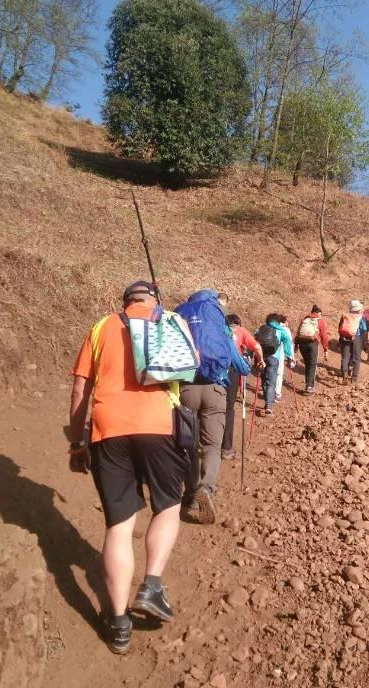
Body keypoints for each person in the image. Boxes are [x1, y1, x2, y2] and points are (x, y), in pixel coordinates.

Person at [69, 280, 192, 654]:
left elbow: (79, 390)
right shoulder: (170, 320)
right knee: (168, 505)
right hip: (159, 425)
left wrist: (77, 442)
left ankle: (119, 624)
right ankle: (152, 584)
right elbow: (187, 371)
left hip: (108, 431)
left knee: (119, 526)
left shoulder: (101, 326)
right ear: (153, 299)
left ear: (124, 302)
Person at [175, 290, 251, 525]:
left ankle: (189, 494)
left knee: (188, 445)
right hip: (215, 389)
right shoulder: (219, 321)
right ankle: (206, 488)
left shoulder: (180, 317)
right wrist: (246, 366)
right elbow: (240, 364)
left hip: (186, 388)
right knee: (211, 446)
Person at [222, 314, 264, 460]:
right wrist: (261, 360)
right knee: (228, 408)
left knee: (210, 408)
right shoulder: (241, 331)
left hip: (213, 369)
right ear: (237, 323)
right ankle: (226, 448)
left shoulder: (217, 329)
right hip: (232, 370)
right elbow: (257, 347)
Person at [255, 313, 295, 416]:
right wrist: (290, 357)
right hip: (274, 358)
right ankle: (269, 406)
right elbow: (288, 343)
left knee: (264, 380)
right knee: (271, 382)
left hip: (260, 357)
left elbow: (253, 340)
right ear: (278, 321)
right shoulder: (281, 331)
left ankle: (267, 401)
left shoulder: (261, 329)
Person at [295, 304, 329, 394]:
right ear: (319, 313)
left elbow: (298, 333)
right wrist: (326, 349)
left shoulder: (305, 319)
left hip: (302, 343)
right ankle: (309, 386)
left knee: (307, 364)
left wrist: (296, 346)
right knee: (312, 365)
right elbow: (324, 336)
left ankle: (308, 384)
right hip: (312, 344)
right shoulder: (320, 321)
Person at [338, 300, 368, 384]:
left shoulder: (345, 315)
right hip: (357, 338)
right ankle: (354, 379)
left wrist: (340, 338)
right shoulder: (361, 317)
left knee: (345, 356)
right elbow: (364, 329)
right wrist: (365, 341)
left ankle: (344, 373)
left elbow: (340, 327)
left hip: (345, 337)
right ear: (358, 309)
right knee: (356, 358)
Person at [274, 314, 293, 402]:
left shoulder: (270, 327)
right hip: (279, 354)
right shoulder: (285, 330)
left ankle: (268, 392)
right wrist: (290, 357)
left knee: (269, 373)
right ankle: (277, 393)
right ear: (285, 322)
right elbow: (289, 344)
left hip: (268, 354)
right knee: (279, 373)